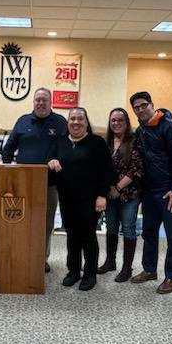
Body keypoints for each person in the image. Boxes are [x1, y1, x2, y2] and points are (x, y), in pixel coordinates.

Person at [130, 91, 172, 294]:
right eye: (136, 108)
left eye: (143, 105)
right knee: (149, 233)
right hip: (149, 192)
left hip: (169, 193)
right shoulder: (141, 130)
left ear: (152, 104)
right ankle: (149, 270)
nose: (140, 109)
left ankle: (171, 277)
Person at [2, 87, 68, 273]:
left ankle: (41, 257)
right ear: (33, 102)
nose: (40, 103)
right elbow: (8, 149)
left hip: (50, 184)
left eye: (44, 100)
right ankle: (22, 253)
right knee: (22, 220)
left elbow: (66, 150)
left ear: (50, 102)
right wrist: (8, 172)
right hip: (23, 184)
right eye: (37, 100)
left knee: (46, 223)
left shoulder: (60, 122)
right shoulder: (23, 121)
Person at [48, 107, 113, 291]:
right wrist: (51, 161)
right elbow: (50, 158)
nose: (76, 122)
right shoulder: (60, 142)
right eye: (72, 119)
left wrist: (102, 195)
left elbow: (106, 171)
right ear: (67, 122)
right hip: (67, 198)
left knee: (88, 236)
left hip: (91, 200)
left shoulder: (97, 143)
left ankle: (90, 274)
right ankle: (73, 271)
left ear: (86, 123)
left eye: (80, 119)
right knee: (72, 236)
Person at [97, 108, 143, 282]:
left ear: (126, 122)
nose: (116, 123)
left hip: (129, 195)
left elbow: (136, 169)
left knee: (129, 229)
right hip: (108, 194)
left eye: (120, 120)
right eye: (113, 120)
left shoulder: (135, 141)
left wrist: (117, 188)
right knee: (111, 228)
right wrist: (106, 189)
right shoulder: (105, 142)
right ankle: (110, 262)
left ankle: (126, 268)